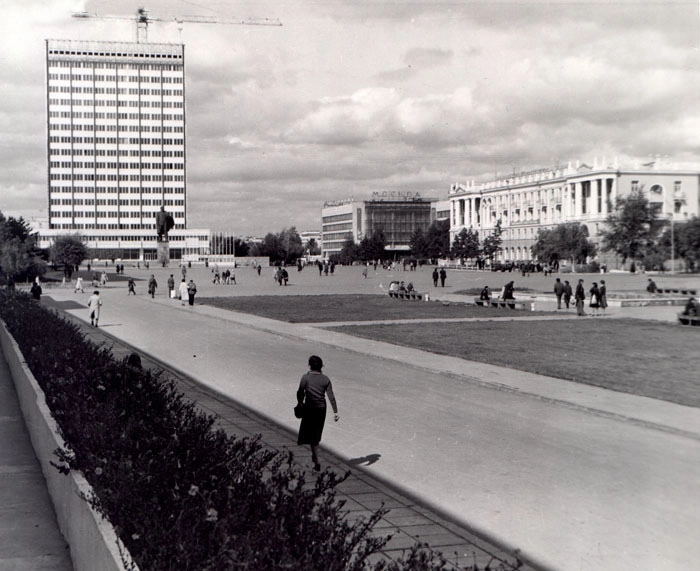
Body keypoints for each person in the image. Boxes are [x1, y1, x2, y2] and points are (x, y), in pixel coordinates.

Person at [296, 355, 339, 472]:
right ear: (321, 366)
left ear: (309, 365)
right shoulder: (325, 379)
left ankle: (315, 458)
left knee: (309, 434)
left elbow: (300, 392)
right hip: (321, 409)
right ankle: (315, 457)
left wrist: (299, 404)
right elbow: (331, 396)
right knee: (316, 433)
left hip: (309, 408)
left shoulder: (305, 377)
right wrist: (335, 412)